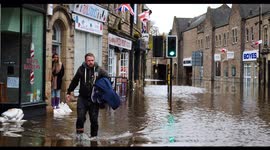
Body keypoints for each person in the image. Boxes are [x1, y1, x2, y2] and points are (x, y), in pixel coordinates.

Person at [66, 52, 109, 139]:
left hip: (94, 99)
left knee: (94, 120)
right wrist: (69, 91)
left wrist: (105, 93)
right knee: (80, 118)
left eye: (92, 60)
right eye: (89, 60)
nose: (91, 62)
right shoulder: (81, 69)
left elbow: (107, 79)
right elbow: (75, 81)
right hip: (82, 98)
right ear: (85, 61)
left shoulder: (99, 70)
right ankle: (79, 136)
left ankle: (94, 138)